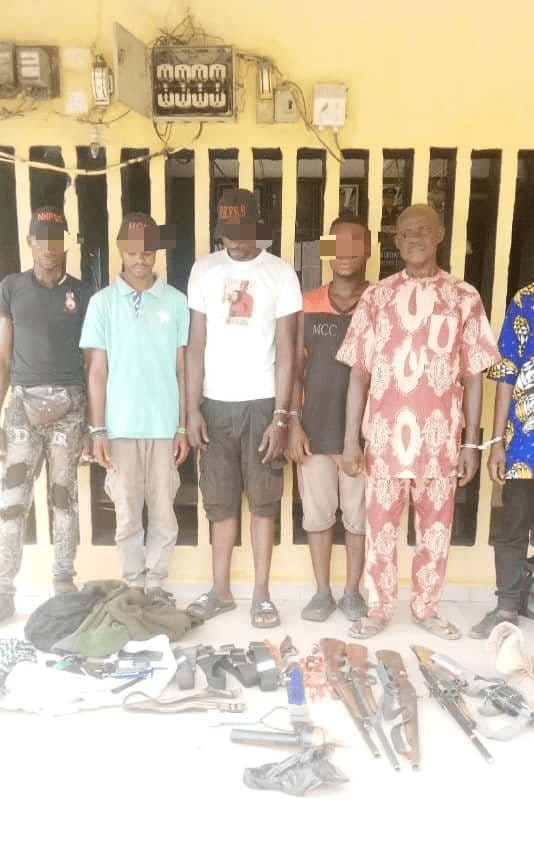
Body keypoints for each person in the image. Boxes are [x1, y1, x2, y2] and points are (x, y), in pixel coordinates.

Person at [337, 203, 500, 639]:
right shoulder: (377, 297)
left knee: (436, 530)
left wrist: (471, 443)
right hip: (384, 440)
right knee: (380, 531)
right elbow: (358, 373)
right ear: (396, 241)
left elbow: (474, 374)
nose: (414, 238)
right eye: (406, 232)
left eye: (423, 230)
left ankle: (426, 609)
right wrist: (351, 441)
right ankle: (378, 609)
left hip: (439, 441)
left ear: (440, 235)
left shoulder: (464, 297)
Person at [186, 188, 302, 628]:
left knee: (264, 502)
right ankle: (220, 591)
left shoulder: (280, 274)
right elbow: (195, 345)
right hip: (215, 403)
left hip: (262, 403)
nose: (234, 240)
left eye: (242, 230)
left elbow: (288, 353)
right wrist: (192, 410)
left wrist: (281, 417)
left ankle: (261, 595)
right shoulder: (204, 270)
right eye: (227, 232)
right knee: (220, 502)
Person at [80, 213, 189, 604]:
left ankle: (155, 582)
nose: (140, 258)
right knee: (126, 512)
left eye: (147, 250)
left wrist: (182, 427)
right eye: (132, 250)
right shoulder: (102, 304)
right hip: (120, 426)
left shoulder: (176, 302)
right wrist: (98, 430)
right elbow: (96, 370)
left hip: (163, 426)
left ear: (157, 251)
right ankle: (132, 583)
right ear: (121, 249)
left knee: (163, 510)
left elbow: (182, 369)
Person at [0, 206, 92, 622]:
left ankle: (63, 581)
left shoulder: (83, 292)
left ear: (66, 243)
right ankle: (4, 589)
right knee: (12, 501)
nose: (49, 247)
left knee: (63, 500)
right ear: (30, 242)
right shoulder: (11, 288)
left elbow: (91, 362)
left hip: (69, 408)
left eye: (56, 239)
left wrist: (90, 425)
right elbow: (3, 358)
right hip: (22, 407)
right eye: (41, 239)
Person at [286, 214, 370, 621]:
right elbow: (293, 368)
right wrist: (292, 422)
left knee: (359, 519)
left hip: (366, 435)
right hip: (314, 430)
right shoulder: (308, 304)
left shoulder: (379, 303)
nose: (345, 252)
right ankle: (322, 593)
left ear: (368, 250)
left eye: (355, 243)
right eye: (336, 243)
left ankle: (352, 592)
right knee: (318, 516)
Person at [469, 283, 534, 638]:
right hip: (526, 444)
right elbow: (507, 374)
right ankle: (507, 608)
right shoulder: (527, 300)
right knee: (514, 526)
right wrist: (496, 443)